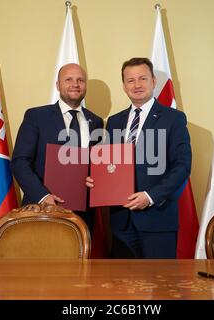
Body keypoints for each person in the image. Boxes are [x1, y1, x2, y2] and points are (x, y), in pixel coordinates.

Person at [87, 57, 192, 258]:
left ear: (153, 81)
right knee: (123, 287)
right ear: (124, 86)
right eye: (130, 80)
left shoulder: (174, 119)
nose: (137, 85)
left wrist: (151, 197)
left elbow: (182, 166)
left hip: (157, 220)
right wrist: (96, 180)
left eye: (142, 79)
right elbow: (110, 164)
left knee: (160, 285)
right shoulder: (114, 122)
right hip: (120, 222)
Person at [11, 63, 103, 231]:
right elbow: (20, 162)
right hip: (40, 208)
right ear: (58, 85)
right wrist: (43, 196)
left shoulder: (96, 121)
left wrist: (94, 176)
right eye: (68, 79)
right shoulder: (36, 116)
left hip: (82, 214)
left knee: (79, 258)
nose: (75, 84)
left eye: (80, 80)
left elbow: (95, 164)